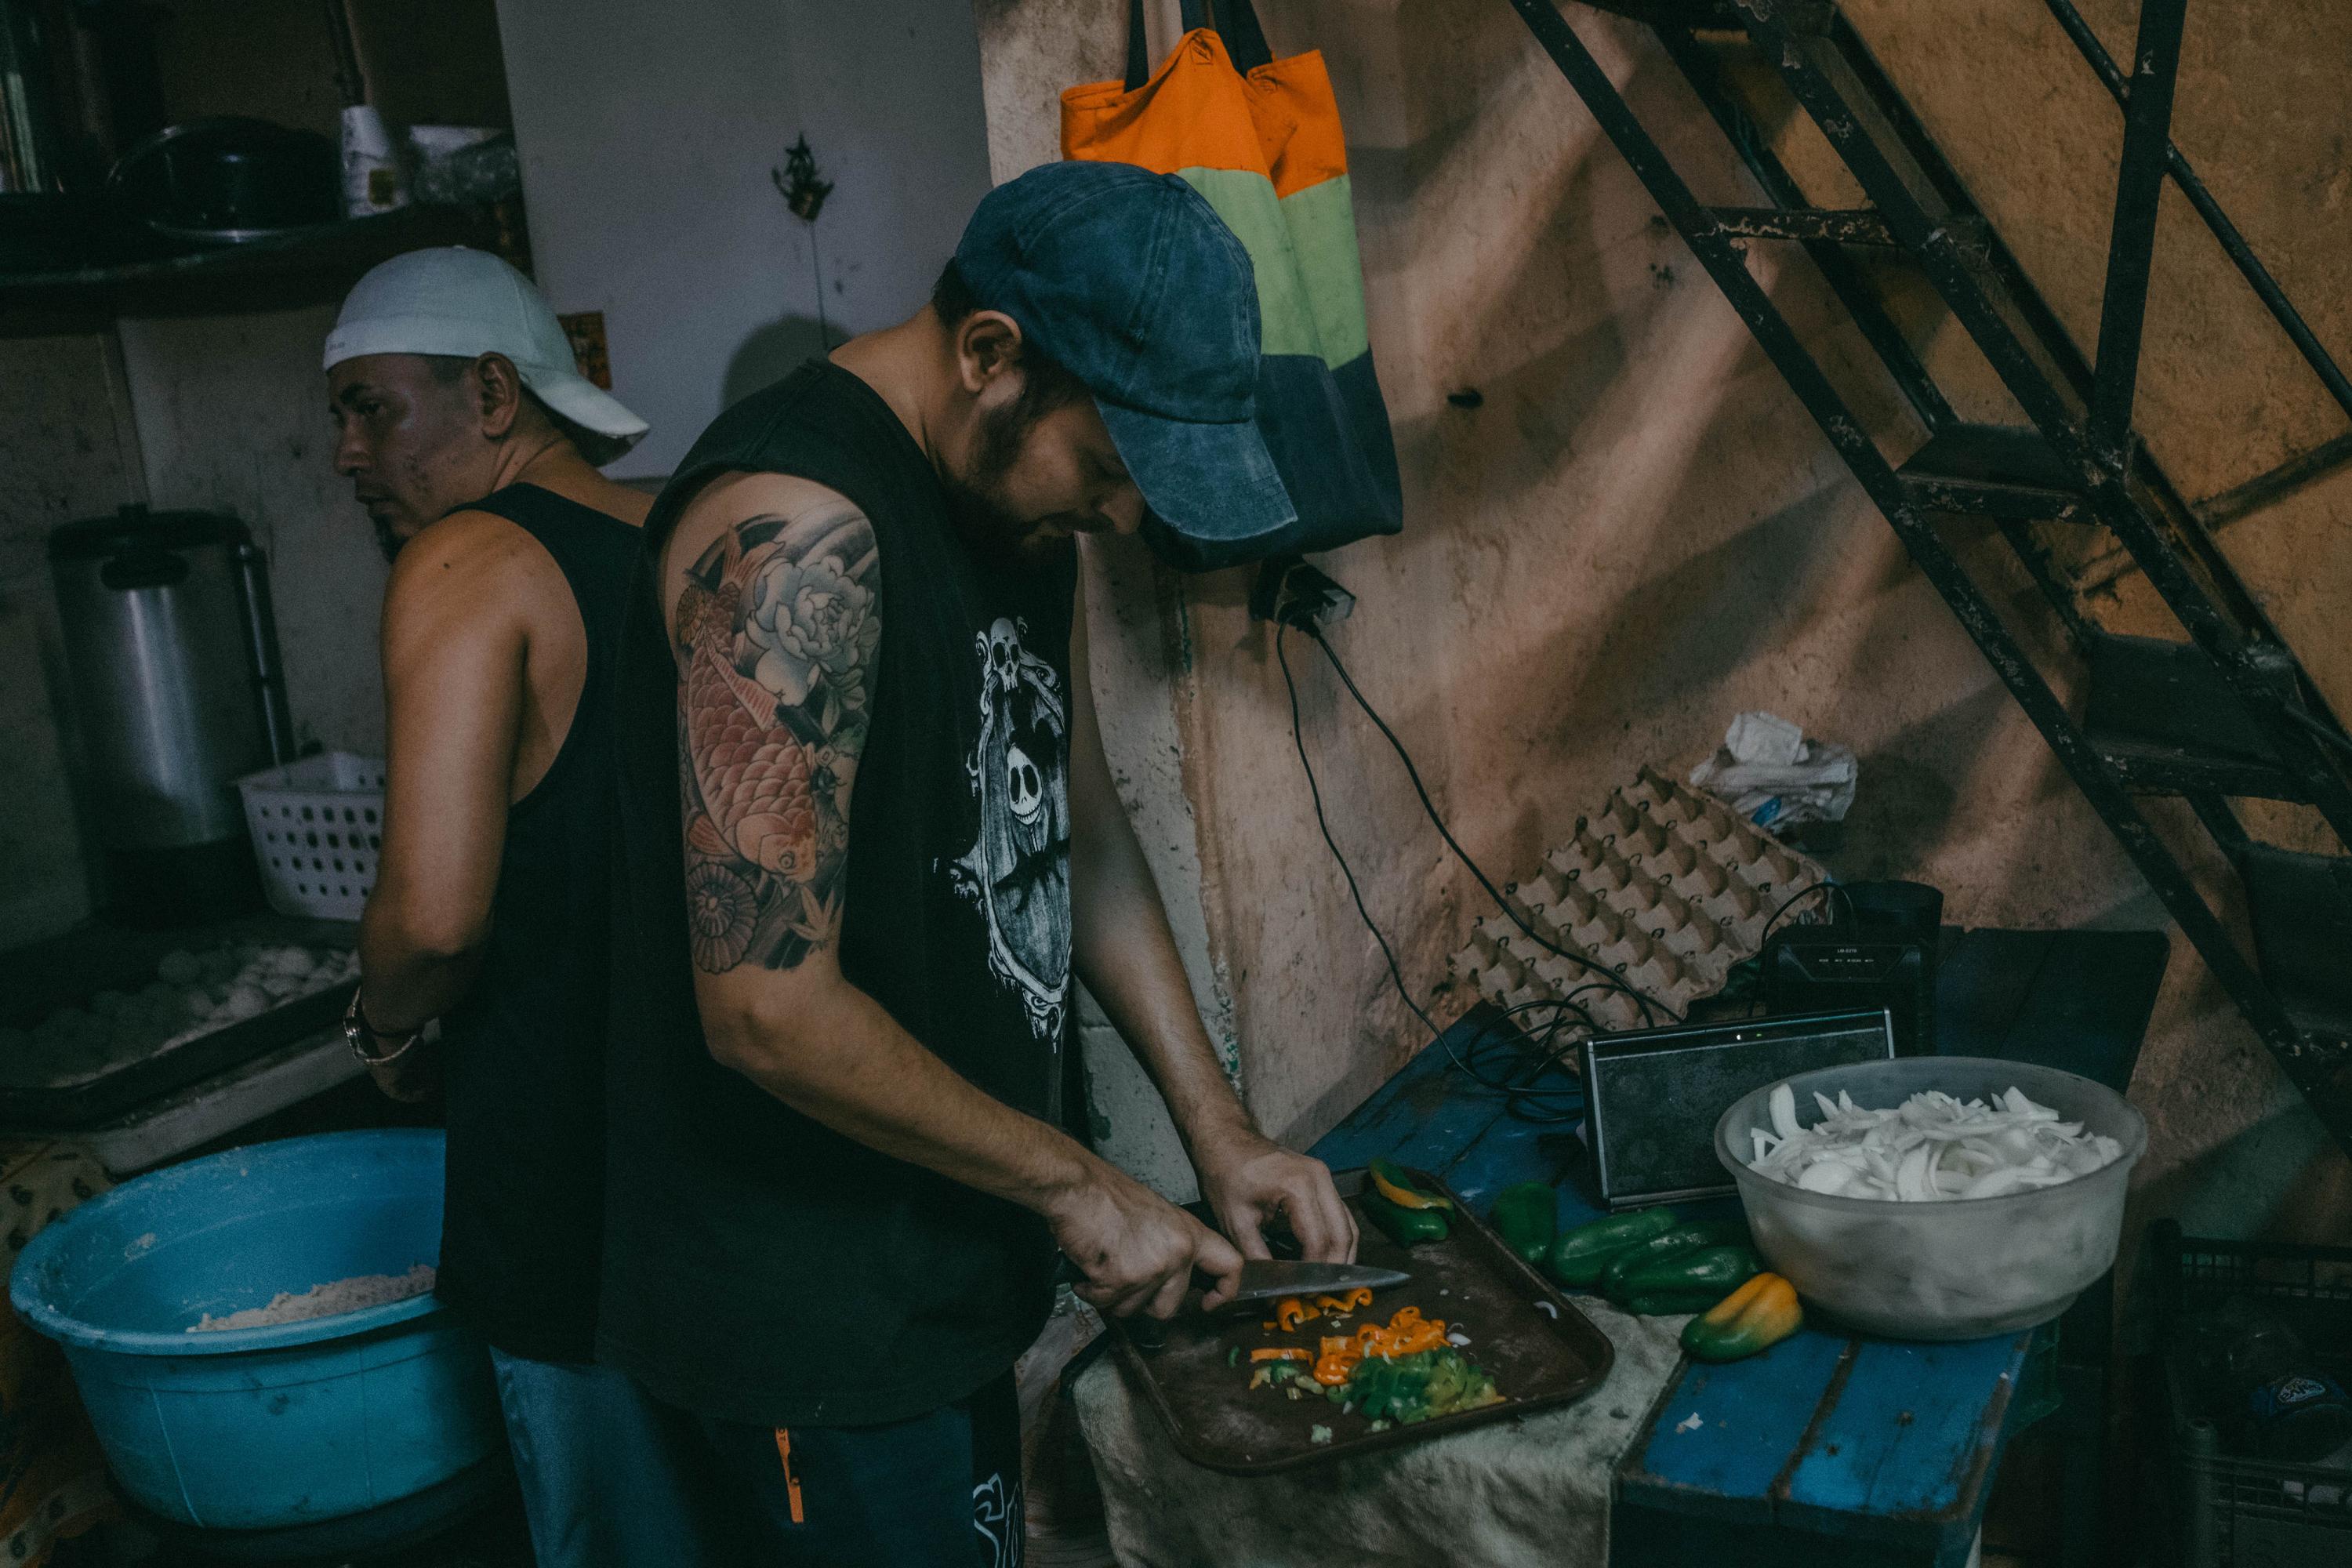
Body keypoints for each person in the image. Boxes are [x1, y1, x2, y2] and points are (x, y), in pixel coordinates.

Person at [601, 160, 1358, 1561]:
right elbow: (766, 1004)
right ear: (991, 353)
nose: (1126, 519)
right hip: (804, 1308)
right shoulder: (794, 533)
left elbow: (1078, 828)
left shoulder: (1018, 509)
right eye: (1113, 469)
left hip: (947, 1258)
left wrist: (1218, 1130)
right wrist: (1080, 1185)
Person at [329, 248, 713, 1566]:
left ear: (493, 391)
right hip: (731, 1172)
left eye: (372, 407)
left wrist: (385, 1033)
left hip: (570, 1193)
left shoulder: (464, 559)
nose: (344, 450)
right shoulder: (681, 531)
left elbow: (433, 919)